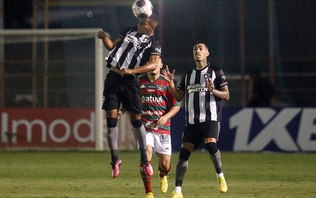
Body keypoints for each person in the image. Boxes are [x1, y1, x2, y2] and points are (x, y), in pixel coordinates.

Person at [162, 41, 230, 198]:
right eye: (195, 49)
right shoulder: (188, 75)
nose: (197, 51)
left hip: (210, 119)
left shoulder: (216, 72)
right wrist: (171, 83)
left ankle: (220, 176)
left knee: (211, 144)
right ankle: (178, 190)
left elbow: (226, 95)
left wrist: (213, 90)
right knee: (184, 153)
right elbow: (178, 96)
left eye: (200, 49)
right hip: (191, 122)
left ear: (207, 53)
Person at [96, 14, 160, 179]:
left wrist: (132, 71)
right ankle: (115, 160)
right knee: (111, 119)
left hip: (130, 81)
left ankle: (145, 160)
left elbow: (153, 64)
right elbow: (111, 46)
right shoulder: (129, 30)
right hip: (113, 77)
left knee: (136, 120)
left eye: (142, 22)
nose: (138, 23)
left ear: (150, 27)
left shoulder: (154, 43)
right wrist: (105, 37)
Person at [139, 57, 180, 198]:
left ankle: (163, 175)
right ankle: (148, 192)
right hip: (145, 127)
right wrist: (121, 111)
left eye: (157, 62)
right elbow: (130, 101)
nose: (154, 65)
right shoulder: (140, 81)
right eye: (152, 62)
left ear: (161, 65)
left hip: (163, 128)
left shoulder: (165, 83)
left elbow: (176, 106)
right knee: (146, 154)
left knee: (165, 165)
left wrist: (165, 117)